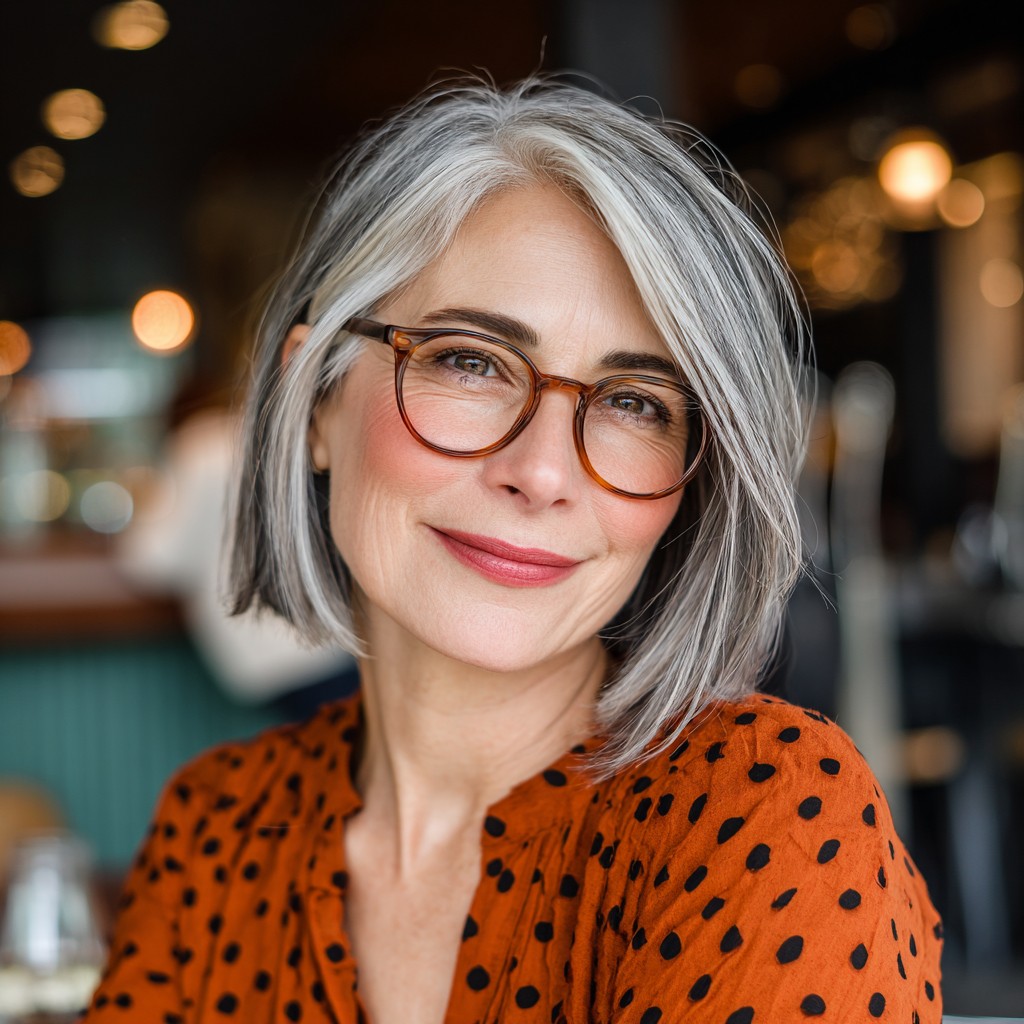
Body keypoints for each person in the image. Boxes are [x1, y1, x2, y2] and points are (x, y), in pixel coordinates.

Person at [82, 77, 942, 1023]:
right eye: (470, 360)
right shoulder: (215, 832)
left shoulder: (761, 813)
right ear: (315, 399)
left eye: (633, 403)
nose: (542, 472)